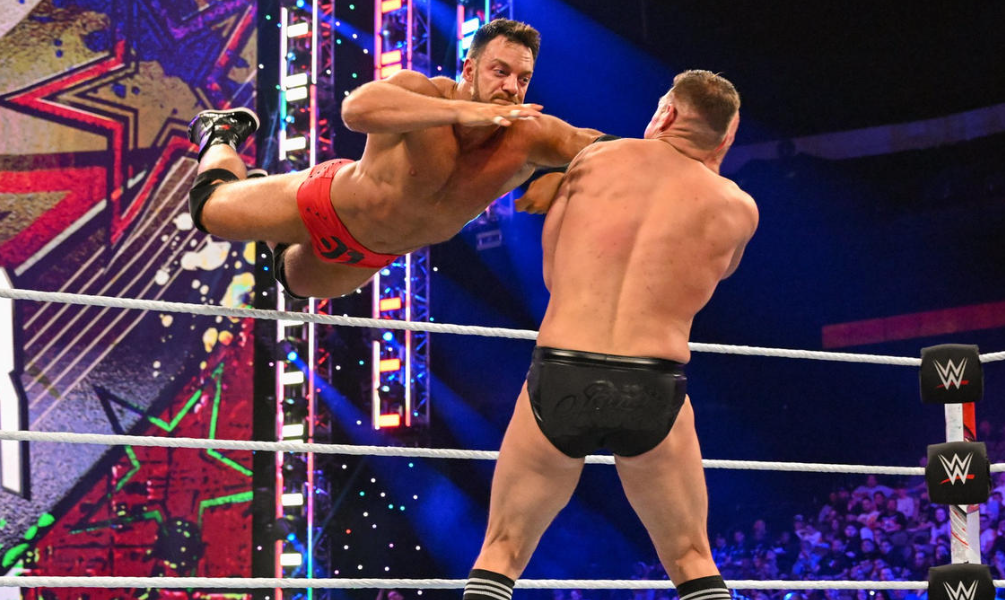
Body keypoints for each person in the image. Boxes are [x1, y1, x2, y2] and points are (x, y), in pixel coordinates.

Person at [462, 71, 757, 600]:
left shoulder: (595, 160)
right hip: (653, 380)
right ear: (726, 137)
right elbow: (714, 278)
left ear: (666, 114)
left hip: (565, 367)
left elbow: (553, 275)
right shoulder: (738, 208)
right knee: (691, 557)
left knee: (502, 549)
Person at [185, 19, 603, 298]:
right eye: (500, 71)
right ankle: (220, 132)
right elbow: (356, 110)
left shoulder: (530, 135)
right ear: (469, 70)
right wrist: (461, 112)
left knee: (290, 280)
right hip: (322, 203)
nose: (512, 87)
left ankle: (258, 191)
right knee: (208, 210)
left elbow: (615, 149)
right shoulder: (421, 91)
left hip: (365, 257)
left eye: (523, 78)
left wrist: (568, 179)